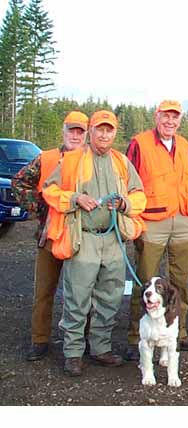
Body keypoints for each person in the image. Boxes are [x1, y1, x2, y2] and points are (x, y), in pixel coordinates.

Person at [42, 110, 147, 376]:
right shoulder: (72, 160)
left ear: (114, 133)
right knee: (77, 298)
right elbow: (49, 190)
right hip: (84, 237)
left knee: (110, 297)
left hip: (113, 239)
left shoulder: (122, 162)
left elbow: (140, 195)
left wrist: (125, 204)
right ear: (90, 131)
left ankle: (100, 349)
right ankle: (73, 353)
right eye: (99, 129)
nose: (104, 134)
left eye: (109, 130)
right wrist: (75, 198)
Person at [124, 100, 188, 361]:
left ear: (179, 120)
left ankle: (178, 332)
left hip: (184, 220)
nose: (170, 121)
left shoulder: (186, 145)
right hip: (152, 220)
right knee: (145, 281)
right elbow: (127, 180)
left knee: (181, 282)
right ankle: (137, 335)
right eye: (166, 116)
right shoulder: (139, 143)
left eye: (175, 117)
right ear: (156, 117)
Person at [11, 111, 90, 362]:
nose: (75, 136)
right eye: (72, 130)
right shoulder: (46, 158)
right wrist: (40, 207)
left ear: (86, 134)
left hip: (81, 236)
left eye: (80, 132)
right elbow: (19, 183)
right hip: (50, 235)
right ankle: (40, 339)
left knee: (80, 293)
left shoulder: (93, 161)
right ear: (63, 131)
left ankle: (79, 340)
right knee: (44, 290)